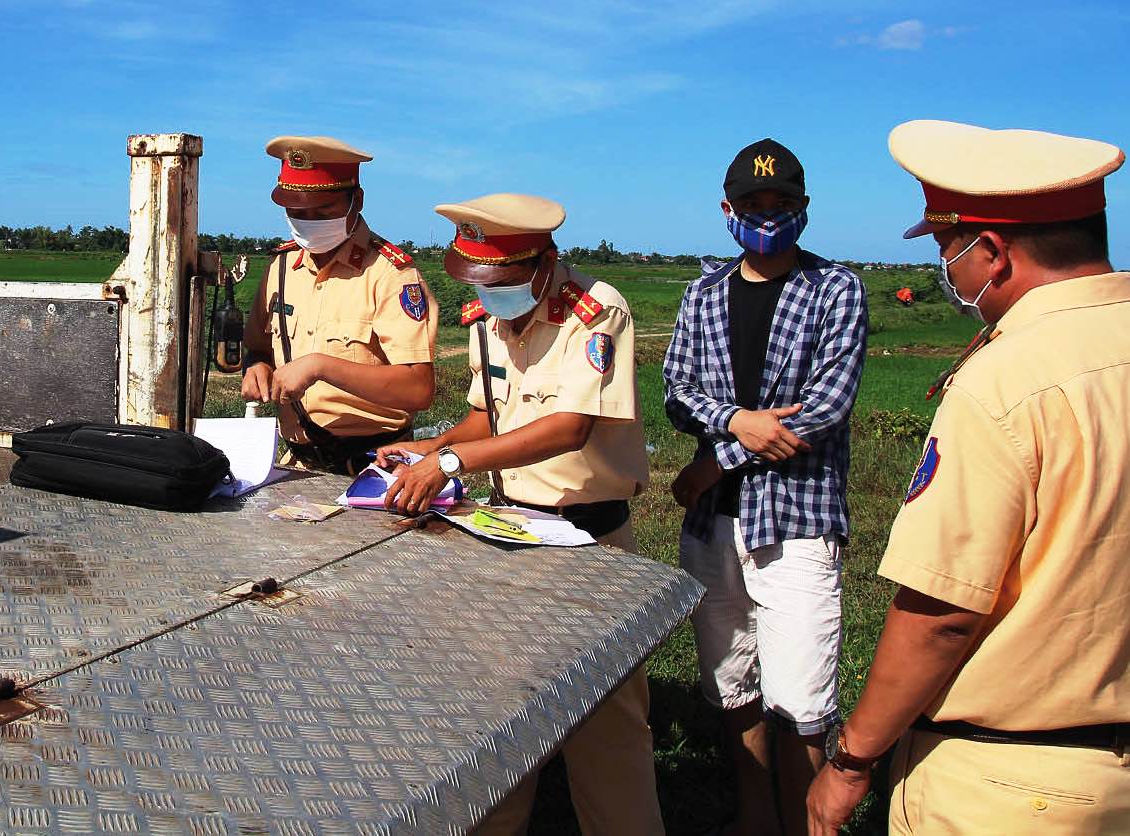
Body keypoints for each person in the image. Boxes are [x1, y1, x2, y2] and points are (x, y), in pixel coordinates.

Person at [808, 120, 1129, 835]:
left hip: (1012, 783)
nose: (946, 274)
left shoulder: (1005, 380)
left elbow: (943, 615)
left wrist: (853, 759)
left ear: (990, 253)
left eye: (947, 252)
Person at [376, 194, 660, 836]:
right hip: (507, 533)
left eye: (503, 280)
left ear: (545, 263)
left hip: (590, 543)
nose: (491, 293)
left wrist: (452, 467)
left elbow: (569, 427)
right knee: (499, 717)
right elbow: (488, 416)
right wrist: (430, 446)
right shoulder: (487, 318)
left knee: (607, 726)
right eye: (481, 281)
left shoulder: (597, 310)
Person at [663, 138, 868, 836]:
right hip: (713, 525)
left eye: (782, 204)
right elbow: (676, 391)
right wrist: (740, 424)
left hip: (796, 520)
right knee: (733, 685)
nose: (768, 215)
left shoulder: (835, 289)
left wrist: (715, 460)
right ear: (729, 210)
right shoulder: (704, 292)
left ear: (804, 210)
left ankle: (809, 823)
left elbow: (823, 410)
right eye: (754, 204)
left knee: (803, 702)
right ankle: (757, 819)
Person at [240, 136, 438, 475]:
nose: (309, 221)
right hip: (296, 466)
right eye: (297, 211)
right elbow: (258, 348)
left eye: (323, 210)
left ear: (356, 200)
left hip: (372, 468)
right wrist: (256, 366)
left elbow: (418, 389)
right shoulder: (281, 268)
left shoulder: (391, 275)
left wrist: (321, 366)